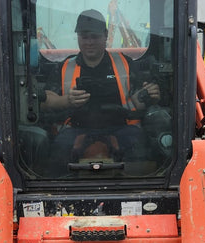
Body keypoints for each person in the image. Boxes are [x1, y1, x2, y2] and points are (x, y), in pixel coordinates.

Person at [41, 9, 160, 173]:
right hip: (75, 128)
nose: (89, 42)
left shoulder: (124, 63)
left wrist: (150, 95)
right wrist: (67, 100)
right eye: (84, 36)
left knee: (139, 148)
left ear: (105, 36)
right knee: (58, 153)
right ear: (78, 37)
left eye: (95, 36)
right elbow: (45, 99)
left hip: (122, 127)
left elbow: (137, 100)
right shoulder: (64, 67)